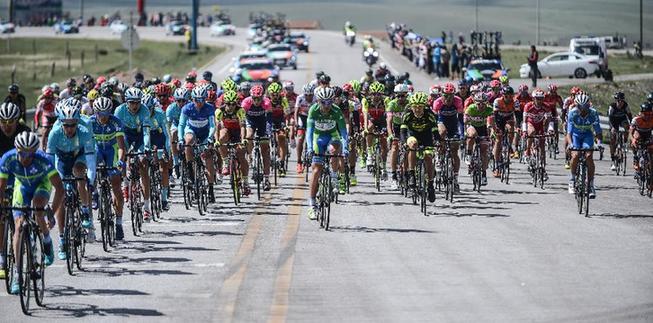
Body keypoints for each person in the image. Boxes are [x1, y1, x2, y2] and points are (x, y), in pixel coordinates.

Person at [0, 132, 64, 293]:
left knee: (38, 208)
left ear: (35, 151)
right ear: (16, 150)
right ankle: (18, 273)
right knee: (18, 225)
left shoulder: (44, 160)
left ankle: (47, 241)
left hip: (41, 185)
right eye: (22, 153)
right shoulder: (8, 159)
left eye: (30, 154)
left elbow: (59, 188)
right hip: (21, 186)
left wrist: (51, 212)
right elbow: (0, 188)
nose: (26, 157)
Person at [47, 99, 97, 257]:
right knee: (61, 195)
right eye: (66, 125)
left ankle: (84, 211)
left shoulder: (84, 131)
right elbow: (50, 161)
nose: (69, 128)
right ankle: (62, 239)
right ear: (61, 122)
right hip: (61, 159)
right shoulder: (54, 133)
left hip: (79, 156)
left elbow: (90, 157)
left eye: (72, 124)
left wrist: (89, 177)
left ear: (77, 122)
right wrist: (55, 181)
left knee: (79, 173)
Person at [305, 87, 348, 220]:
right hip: (318, 138)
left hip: (332, 136)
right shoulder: (313, 110)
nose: (327, 106)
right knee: (316, 170)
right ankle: (312, 205)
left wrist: (345, 148)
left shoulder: (336, 110)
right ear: (318, 101)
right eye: (323, 102)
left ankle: (334, 177)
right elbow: (309, 131)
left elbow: (343, 132)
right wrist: (309, 148)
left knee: (334, 150)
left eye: (330, 102)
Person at [88, 97, 126, 240]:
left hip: (112, 150)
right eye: (100, 114)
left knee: (116, 184)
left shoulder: (115, 122)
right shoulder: (90, 122)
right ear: (95, 112)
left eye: (106, 114)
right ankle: (95, 192)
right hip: (97, 150)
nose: (103, 117)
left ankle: (119, 223)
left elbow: (121, 146)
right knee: (91, 171)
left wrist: (121, 162)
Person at [114, 87, 153, 221]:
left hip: (140, 136)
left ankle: (147, 206)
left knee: (143, 165)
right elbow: (117, 133)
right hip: (125, 135)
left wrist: (146, 148)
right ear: (126, 102)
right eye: (132, 102)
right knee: (123, 155)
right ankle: (125, 183)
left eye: (137, 102)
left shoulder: (145, 110)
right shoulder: (119, 111)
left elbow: (147, 132)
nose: (135, 105)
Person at [177, 86, 217, 201]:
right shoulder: (187, 108)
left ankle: (210, 189)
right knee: (188, 141)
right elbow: (181, 125)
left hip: (205, 133)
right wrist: (180, 139)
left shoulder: (209, 108)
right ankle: (190, 169)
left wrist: (210, 138)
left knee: (208, 157)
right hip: (192, 131)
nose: (199, 103)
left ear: (205, 99)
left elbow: (213, 125)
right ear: (192, 99)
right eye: (196, 100)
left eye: (202, 100)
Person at [401, 92, 438, 202]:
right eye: (415, 107)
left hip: (426, 136)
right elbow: (402, 131)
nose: (417, 109)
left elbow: (435, 130)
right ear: (411, 106)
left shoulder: (429, 114)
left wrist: (439, 141)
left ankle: (431, 185)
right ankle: (412, 174)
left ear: (424, 106)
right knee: (412, 145)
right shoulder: (407, 113)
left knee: (428, 156)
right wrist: (403, 142)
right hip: (412, 134)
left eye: (420, 107)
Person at [566, 93, 602, 198]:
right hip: (576, 136)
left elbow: (598, 132)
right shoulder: (572, 113)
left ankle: (590, 184)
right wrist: (571, 144)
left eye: (585, 107)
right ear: (576, 106)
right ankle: (572, 180)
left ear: (588, 106)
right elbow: (569, 133)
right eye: (580, 107)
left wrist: (599, 144)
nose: (582, 109)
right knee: (575, 155)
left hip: (587, 135)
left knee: (589, 156)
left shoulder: (593, 113)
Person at [215, 91, 250, 196]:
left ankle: (245, 182)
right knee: (222, 137)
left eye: (233, 104)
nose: (231, 106)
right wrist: (217, 141)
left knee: (241, 155)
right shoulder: (219, 111)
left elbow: (243, 126)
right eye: (228, 104)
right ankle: (225, 162)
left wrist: (243, 139)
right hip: (226, 130)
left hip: (238, 131)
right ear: (225, 103)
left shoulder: (240, 110)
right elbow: (217, 128)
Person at [433, 83, 464, 189]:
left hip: (453, 124)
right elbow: (434, 120)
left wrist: (462, 134)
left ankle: (455, 177)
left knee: (455, 151)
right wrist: (435, 135)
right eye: (445, 95)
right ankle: (438, 156)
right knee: (442, 132)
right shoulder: (437, 102)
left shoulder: (458, 101)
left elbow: (460, 120)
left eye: (451, 95)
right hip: (441, 122)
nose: (448, 98)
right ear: (441, 95)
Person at [143, 94, 171, 208]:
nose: (147, 112)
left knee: (163, 167)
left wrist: (167, 150)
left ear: (153, 107)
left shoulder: (160, 114)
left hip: (158, 136)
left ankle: (164, 198)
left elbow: (166, 134)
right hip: (145, 136)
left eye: (149, 109)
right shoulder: (140, 115)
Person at [241, 85, 272, 191]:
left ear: (263, 97)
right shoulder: (246, 102)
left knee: (265, 151)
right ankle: (250, 155)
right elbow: (241, 118)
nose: (257, 101)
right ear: (251, 97)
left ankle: (267, 179)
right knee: (249, 136)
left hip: (263, 122)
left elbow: (269, 119)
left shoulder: (266, 102)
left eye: (259, 98)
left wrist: (268, 131)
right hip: (250, 121)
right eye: (255, 98)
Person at [464, 92, 493, 186]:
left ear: (486, 103)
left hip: (483, 129)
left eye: (483, 103)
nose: (481, 105)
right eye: (478, 103)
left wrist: (492, 132)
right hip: (472, 126)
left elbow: (491, 123)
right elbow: (465, 121)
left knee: (485, 151)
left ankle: (484, 174)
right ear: (475, 102)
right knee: (472, 135)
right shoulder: (471, 108)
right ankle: (469, 154)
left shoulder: (489, 109)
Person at [362, 82, 388, 179]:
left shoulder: (386, 100)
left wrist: (389, 131)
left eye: (378, 94)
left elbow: (389, 117)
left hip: (382, 121)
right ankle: (369, 154)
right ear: (370, 93)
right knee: (370, 128)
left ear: (382, 94)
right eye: (373, 94)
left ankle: (384, 167)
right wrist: (365, 129)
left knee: (384, 145)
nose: (376, 96)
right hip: (371, 120)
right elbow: (365, 115)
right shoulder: (366, 101)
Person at [523, 89, 551, 180]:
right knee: (531, 132)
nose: (540, 101)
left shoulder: (546, 106)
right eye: (538, 98)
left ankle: (542, 168)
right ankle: (527, 151)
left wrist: (549, 130)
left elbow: (549, 120)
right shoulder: (528, 106)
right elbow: (524, 120)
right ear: (533, 98)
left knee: (542, 148)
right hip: (530, 123)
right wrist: (524, 131)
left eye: (541, 98)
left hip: (540, 125)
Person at [386, 83, 410, 190]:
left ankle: (406, 174)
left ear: (406, 95)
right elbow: (389, 121)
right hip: (396, 127)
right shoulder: (392, 104)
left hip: (407, 127)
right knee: (395, 148)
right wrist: (390, 135)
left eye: (402, 95)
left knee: (408, 149)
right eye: (398, 96)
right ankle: (394, 176)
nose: (400, 98)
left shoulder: (409, 104)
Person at [492, 86, 517, 177]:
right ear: (503, 96)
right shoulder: (497, 101)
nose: (509, 98)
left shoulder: (515, 102)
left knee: (511, 129)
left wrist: (519, 127)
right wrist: (495, 128)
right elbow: (494, 116)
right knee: (498, 141)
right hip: (499, 120)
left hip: (508, 119)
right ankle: (496, 164)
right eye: (507, 96)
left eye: (511, 96)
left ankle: (509, 146)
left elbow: (518, 116)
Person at [266, 82, 289, 177]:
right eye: (272, 94)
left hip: (280, 120)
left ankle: (282, 164)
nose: (275, 96)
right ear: (269, 94)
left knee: (281, 138)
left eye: (277, 94)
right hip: (269, 120)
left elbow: (286, 113)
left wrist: (286, 125)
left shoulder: (283, 100)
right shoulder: (266, 100)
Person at [608, 91, 633, 171]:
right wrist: (612, 128)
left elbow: (629, 116)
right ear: (616, 101)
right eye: (619, 101)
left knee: (627, 127)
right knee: (613, 138)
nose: (620, 102)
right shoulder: (612, 106)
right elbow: (610, 118)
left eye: (622, 100)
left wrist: (631, 125)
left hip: (622, 119)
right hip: (613, 121)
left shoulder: (625, 105)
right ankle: (612, 159)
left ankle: (624, 142)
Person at [294, 84, 315, 174]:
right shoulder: (300, 98)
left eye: (310, 95)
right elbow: (296, 112)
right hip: (302, 117)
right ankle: (299, 161)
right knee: (300, 138)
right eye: (307, 95)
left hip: (312, 118)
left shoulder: (316, 98)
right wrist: (295, 123)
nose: (308, 97)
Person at [630, 102, 653, 175]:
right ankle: (635, 158)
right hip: (639, 133)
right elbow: (630, 132)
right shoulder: (636, 119)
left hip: (648, 133)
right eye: (645, 114)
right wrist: (633, 140)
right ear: (641, 113)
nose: (647, 116)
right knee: (635, 139)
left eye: (649, 114)